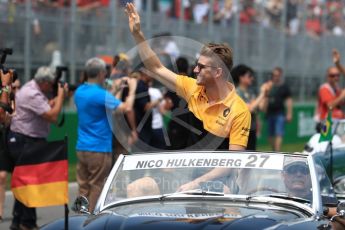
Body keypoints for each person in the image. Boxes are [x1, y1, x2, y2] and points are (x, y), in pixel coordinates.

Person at [125, 3, 250, 190]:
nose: (195, 70)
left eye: (201, 67)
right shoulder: (192, 87)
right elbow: (156, 68)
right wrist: (138, 34)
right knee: (136, 188)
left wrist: (195, 183)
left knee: (219, 197)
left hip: (218, 181)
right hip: (184, 174)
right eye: (196, 65)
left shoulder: (239, 110)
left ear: (217, 73)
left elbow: (231, 163)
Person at [6, 66, 67, 230]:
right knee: (29, 182)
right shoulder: (32, 93)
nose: (52, 86)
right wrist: (61, 95)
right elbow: (53, 116)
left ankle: (17, 222)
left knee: (24, 182)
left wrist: (51, 102)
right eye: (51, 83)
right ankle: (28, 223)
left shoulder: (32, 90)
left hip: (26, 139)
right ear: (45, 83)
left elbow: (44, 109)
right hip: (25, 140)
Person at [74, 57, 137, 213]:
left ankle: (80, 216)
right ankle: (91, 218)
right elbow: (125, 107)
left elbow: (104, 104)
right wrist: (133, 89)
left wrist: (116, 89)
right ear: (102, 73)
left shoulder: (79, 91)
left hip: (82, 146)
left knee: (83, 186)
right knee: (97, 185)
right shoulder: (100, 94)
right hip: (99, 147)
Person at [231, 64, 272, 150]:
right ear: (241, 78)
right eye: (249, 76)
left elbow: (262, 108)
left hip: (252, 129)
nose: (252, 78)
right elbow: (249, 109)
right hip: (241, 131)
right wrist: (261, 94)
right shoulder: (237, 92)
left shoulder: (251, 92)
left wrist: (266, 94)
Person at [266, 67, 293, 152]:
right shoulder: (269, 86)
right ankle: (274, 150)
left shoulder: (284, 87)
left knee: (279, 134)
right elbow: (265, 97)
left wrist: (289, 113)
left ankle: (277, 151)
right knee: (270, 136)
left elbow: (289, 100)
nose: (275, 77)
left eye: (277, 75)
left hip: (280, 113)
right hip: (269, 113)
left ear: (280, 75)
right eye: (273, 75)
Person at [0, 69, 14, 223]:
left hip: (5, 136)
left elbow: (8, 115)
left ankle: (0, 211)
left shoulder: (10, 87)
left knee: (2, 176)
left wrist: (8, 87)